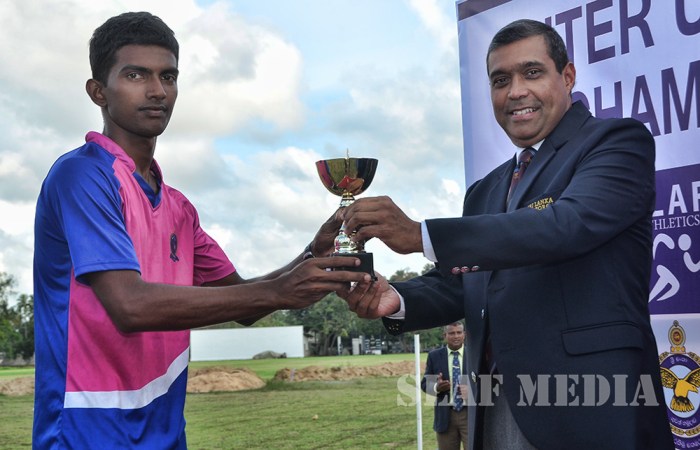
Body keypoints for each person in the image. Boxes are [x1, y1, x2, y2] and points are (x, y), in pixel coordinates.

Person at [32, 12, 369, 448]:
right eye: (135, 75)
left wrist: (313, 253)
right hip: (86, 431)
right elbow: (129, 306)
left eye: (168, 76)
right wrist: (279, 291)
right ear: (99, 91)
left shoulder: (178, 208)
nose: (157, 90)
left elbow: (244, 300)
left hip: (166, 431)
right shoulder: (82, 176)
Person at [340, 19, 674, 450]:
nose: (515, 91)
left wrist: (420, 235)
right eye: (500, 80)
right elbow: (464, 287)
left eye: (532, 72)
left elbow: (566, 226)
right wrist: (397, 299)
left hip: (594, 407)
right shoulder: (484, 190)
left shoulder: (616, 142)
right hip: (494, 409)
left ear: (567, 76)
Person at [421, 322, 468, 450]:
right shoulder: (434, 356)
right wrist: (437, 387)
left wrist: (473, 390)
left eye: (459, 332)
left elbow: (487, 381)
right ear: (445, 335)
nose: (456, 336)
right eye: (451, 333)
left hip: (470, 415)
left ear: (464, 334)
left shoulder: (475, 354)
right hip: (445, 416)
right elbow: (425, 384)